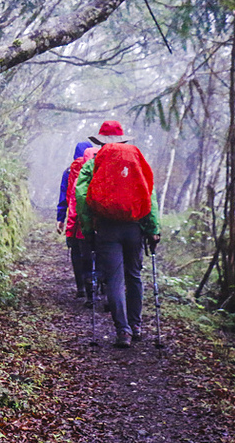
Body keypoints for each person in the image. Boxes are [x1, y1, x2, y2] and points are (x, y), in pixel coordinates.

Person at [74, 121, 160, 347]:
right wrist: (153, 229)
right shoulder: (135, 161)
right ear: (123, 140)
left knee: (114, 279)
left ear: (100, 142)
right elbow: (149, 195)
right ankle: (136, 325)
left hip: (107, 228)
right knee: (134, 276)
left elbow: (81, 196)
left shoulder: (93, 164)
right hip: (134, 227)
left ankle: (123, 331)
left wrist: (87, 229)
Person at [56, 141, 97, 303]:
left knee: (76, 251)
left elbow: (64, 195)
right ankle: (99, 286)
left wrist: (60, 218)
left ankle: (81, 287)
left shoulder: (69, 171)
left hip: (76, 219)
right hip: (97, 220)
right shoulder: (99, 166)